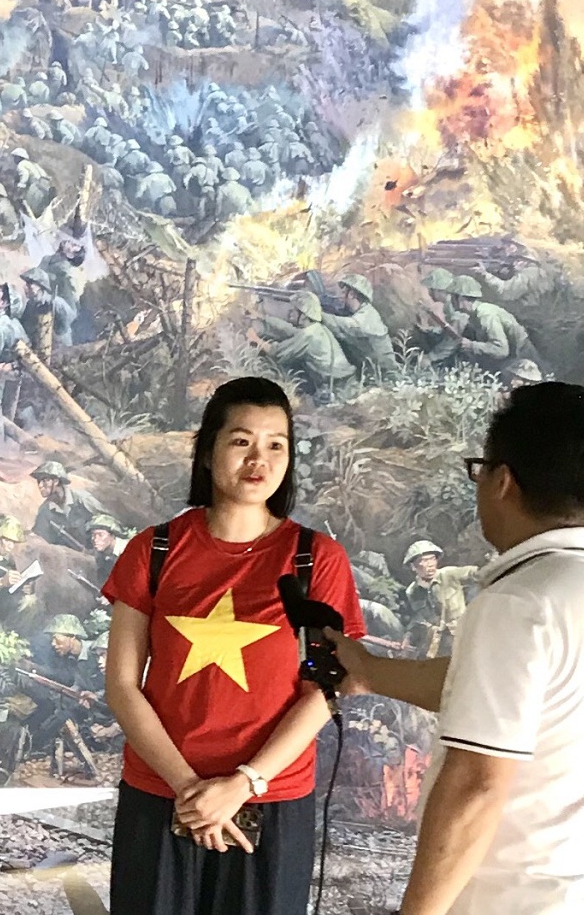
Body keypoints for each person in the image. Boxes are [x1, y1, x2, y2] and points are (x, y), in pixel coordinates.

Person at [326, 382, 584, 915]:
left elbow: (476, 785)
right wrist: (369, 671)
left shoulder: (517, 603)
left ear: (502, 481)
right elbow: (493, 690)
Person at [102, 376, 364, 915]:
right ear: (207, 450)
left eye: (276, 444)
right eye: (241, 440)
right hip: (161, 794)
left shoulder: (316, 560)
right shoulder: (154, 550)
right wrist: (190, 790)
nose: (258, 459)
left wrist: (244, 783)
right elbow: (123, 685)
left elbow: (328, 685)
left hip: (271, 798)